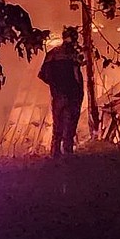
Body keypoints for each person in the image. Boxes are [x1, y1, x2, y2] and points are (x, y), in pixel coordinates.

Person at [38, 26, 85, 157]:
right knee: (70, 126)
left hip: (59, 95)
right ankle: (67, 154)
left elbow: (43, 75)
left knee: (57, 125)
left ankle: (55, 154)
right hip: (72, 95)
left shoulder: (52, 54)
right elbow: (77, 77)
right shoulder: (74, 56)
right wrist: (79, 92)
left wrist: (55, 86)